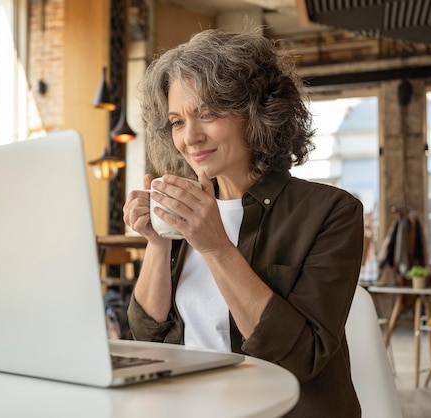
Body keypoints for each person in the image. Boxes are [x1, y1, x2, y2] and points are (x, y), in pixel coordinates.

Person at [122, 27, 364, 417]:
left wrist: (215, 246)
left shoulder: (331, 212)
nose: (191, 137)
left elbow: (301, 357)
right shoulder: (187, 208)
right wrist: (159, 239)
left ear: (257, 112)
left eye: (209, 114)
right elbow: (148, 338)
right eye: (177, 121)